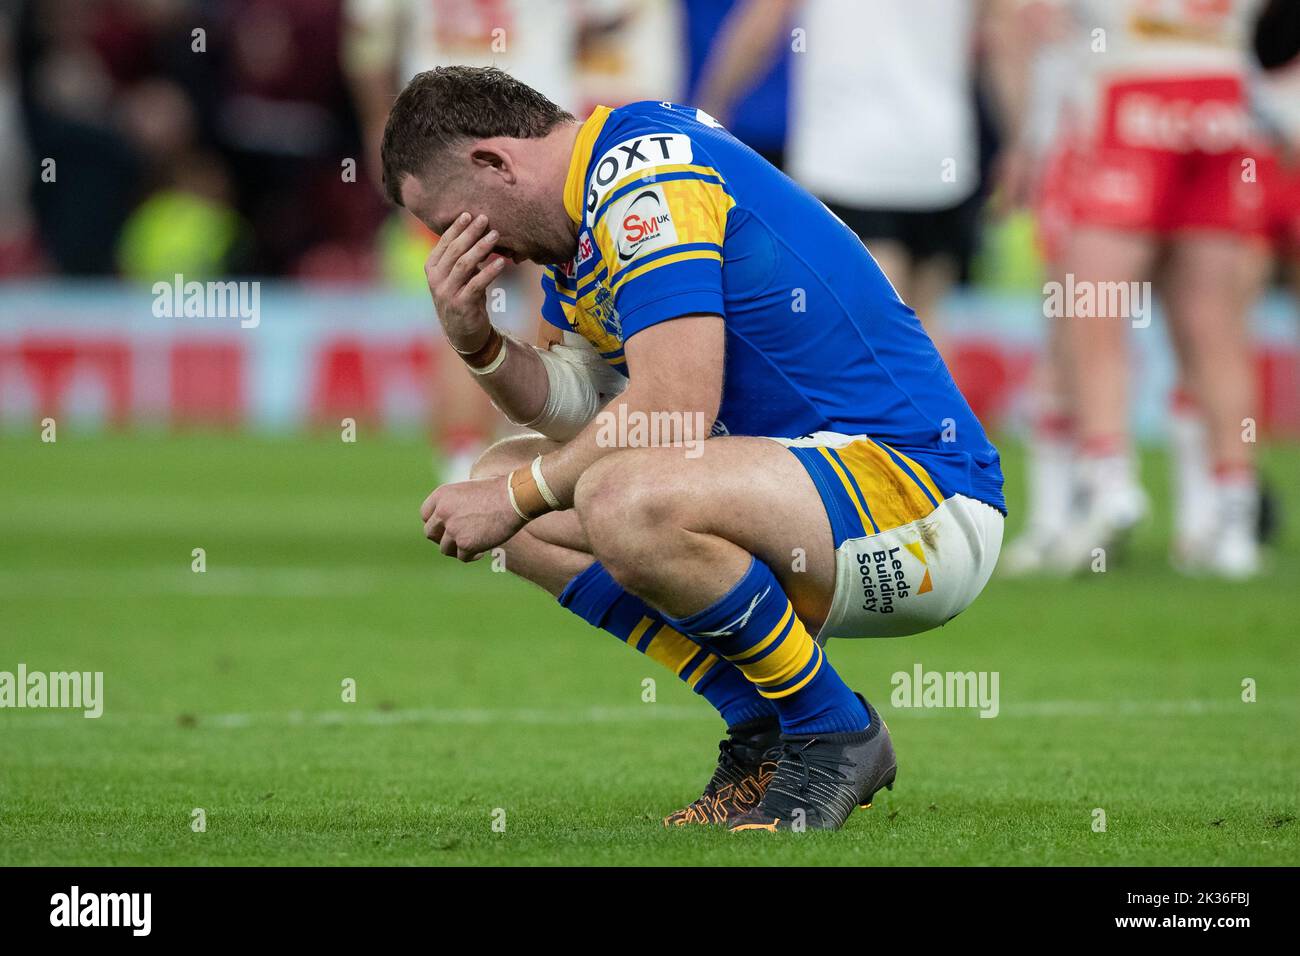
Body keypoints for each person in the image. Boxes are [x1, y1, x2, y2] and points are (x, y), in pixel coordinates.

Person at [385, 66, 1005, 831]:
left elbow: (675, 407)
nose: (460, 247)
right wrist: (477, 344)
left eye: (451, 222)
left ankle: (833, 732)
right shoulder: (584, 229)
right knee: (507, 476)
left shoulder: (643, 175)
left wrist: (511, 502)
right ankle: (766, 731)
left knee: (614, 499)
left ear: (493, 163)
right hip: (810, 499)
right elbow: (580, 410)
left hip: (918, 502)